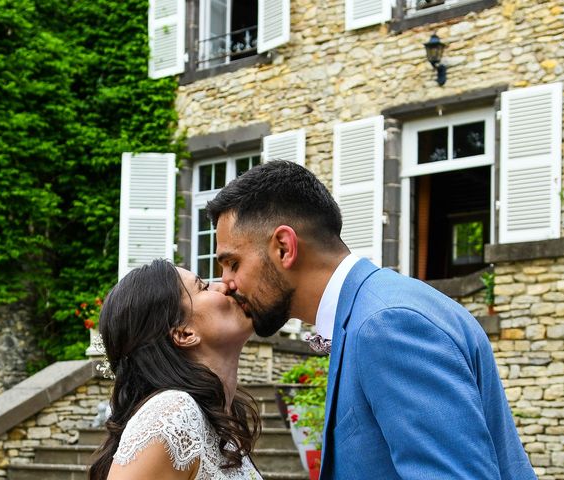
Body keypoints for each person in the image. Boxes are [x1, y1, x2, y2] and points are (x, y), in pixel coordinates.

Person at [206, 160, 537, 480]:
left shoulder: (387, 323)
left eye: (233, 263)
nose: (226, 282)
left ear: (284, 247)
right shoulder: (378, 308)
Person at [88, 259, 262, 480]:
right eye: (204, 287)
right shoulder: (172, 415)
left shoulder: (218, 426)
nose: (225, 285)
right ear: (184, 334)